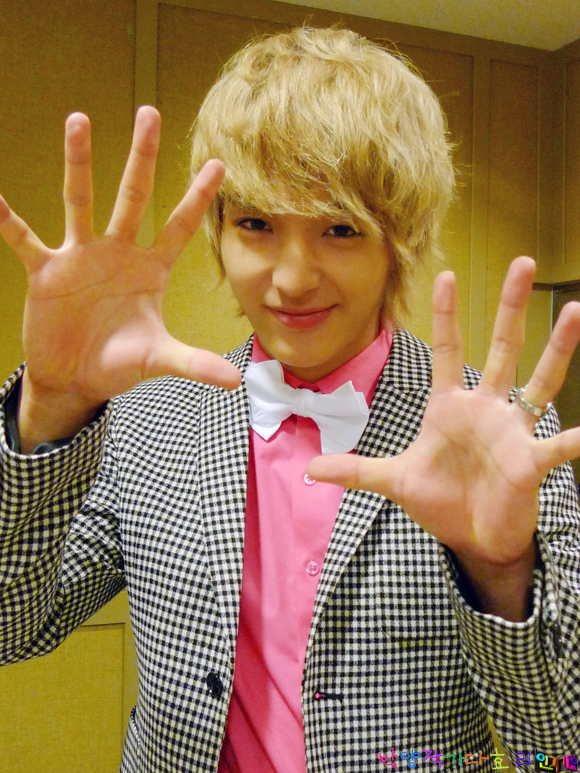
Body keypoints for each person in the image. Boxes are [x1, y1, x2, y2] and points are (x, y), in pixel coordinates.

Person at [1, 25, 579, 773]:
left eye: (340, 228)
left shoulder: (498, 437)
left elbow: (557, 751)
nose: (293, 279)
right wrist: (48, 407)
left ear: (398, 241)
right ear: (218, 230)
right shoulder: (147, 419)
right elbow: (13, 627)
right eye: (256, 224)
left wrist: (500, 572)